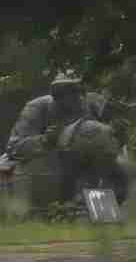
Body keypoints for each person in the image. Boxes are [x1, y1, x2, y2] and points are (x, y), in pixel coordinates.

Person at [6, 72, 127, 207]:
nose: (77, 97)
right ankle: (51, 207)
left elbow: (104, 143)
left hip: (77, 167)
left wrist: (116, 136)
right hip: (42, 166)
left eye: (79, 91)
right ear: (57, 94)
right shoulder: (37, 108)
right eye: (71, 91)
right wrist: (45, 140)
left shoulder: (87, 107)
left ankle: (99, 207)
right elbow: (14, 148)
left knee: (119, 164)